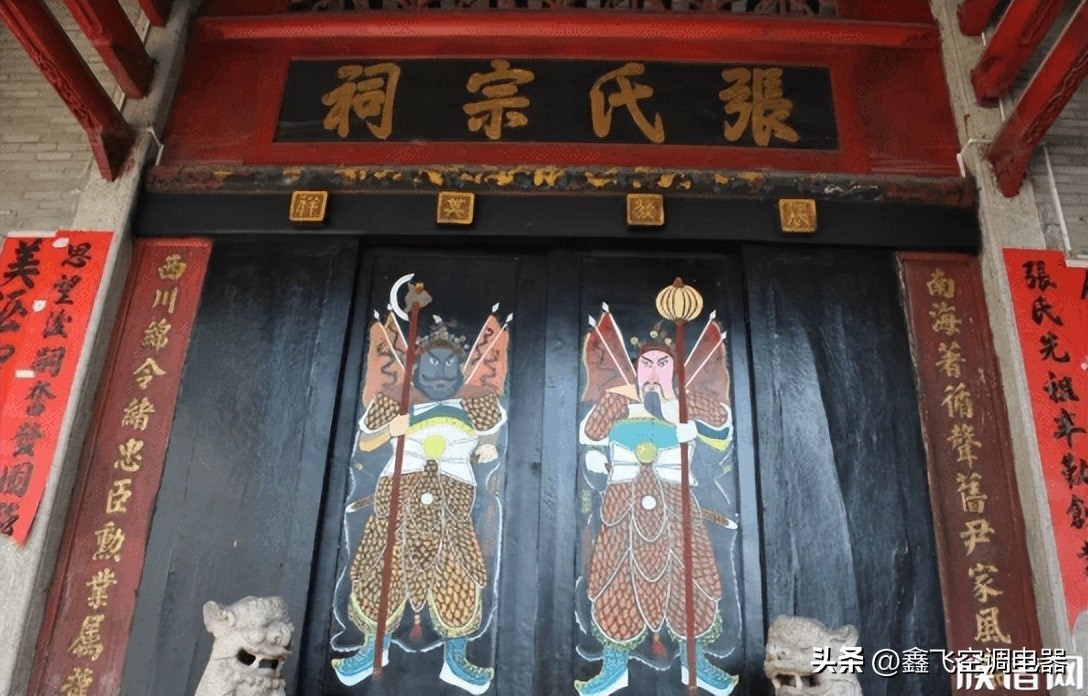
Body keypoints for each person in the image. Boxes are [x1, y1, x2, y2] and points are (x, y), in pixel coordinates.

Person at [332, 328, 505, 695]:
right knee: (382, 562)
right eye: (431, 364)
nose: (440, 372)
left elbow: (490, 432)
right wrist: (389, 431)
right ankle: (373, 647)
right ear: (416, 366)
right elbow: (367, 442)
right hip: (401, 486)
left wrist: (487, 444)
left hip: (453, 491)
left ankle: (456, 657)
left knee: (459, 567)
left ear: (459, 367)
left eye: (448, 364)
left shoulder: (477, 399)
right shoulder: (396, 397)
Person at [577, 331, 736, 696]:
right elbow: (591, 433)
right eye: (646, 364)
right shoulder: (619, 399)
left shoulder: (687, 401)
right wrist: (596, 454)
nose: (653, 371)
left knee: (690, 576)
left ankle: (694, 662)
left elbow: (722, 425)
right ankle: (614, 665)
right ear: (635, 368)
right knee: (616, 576)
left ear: (674, 370)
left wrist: (688, 423)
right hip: (624, 502)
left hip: (675, 499)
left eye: (663, 364)